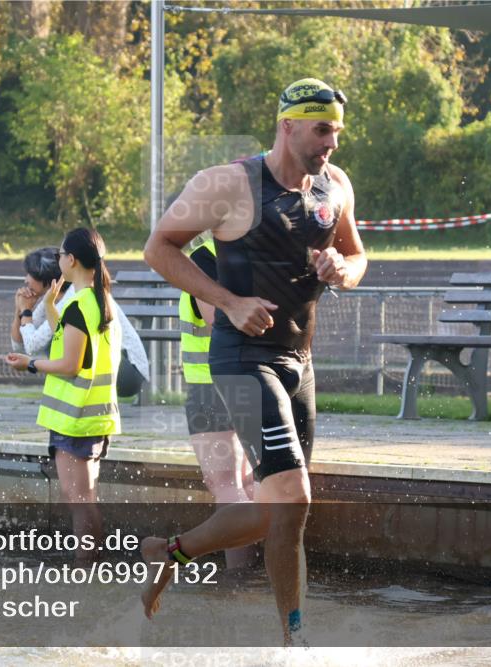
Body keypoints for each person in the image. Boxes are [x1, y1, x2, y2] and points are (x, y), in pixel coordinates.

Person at [141, 78, 367, 645]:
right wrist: (229, 302)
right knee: (294, 499)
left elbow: (357, 254)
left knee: (281, 512)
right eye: (321, 130)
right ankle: (295, 639)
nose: (331, 144)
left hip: (299, 362)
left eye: (337, 132)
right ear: (287, 126)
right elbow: (158, 248)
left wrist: (343, 269)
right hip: (242, 359)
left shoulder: (334, 186)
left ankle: (170, 555)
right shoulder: (227, 183)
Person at [6, 228, 121, 564]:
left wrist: (30, 365)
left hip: (77, 417)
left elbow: (70, 364)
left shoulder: (81, 304)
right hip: (91, 414)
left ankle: (86, 567)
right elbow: (75, 345)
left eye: (60, 255)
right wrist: (50, 308)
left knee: (80, 499)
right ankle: (89, 564)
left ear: (71, 260)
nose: (58, 261)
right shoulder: (97, 300)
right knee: (84, 497)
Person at [179, 234, 255, 569]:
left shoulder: (203, 260)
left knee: (225, 484)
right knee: (246, 480)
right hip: (249, 379)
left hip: (212, 386)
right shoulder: (251, 252)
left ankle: (239, 580)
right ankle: (256, 574)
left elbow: (221, 321)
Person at [11, 246, 149, 397]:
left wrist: (26, 312)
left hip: (129, 371)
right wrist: (20, 310)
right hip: (114, 365)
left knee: (54, 342)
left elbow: (31, 346)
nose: (25, 280)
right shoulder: (51, 299)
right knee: (58, 339)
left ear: (44, 277)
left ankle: (72, 400)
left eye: (29, 274)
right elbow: (19, 344)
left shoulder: (70, 299)